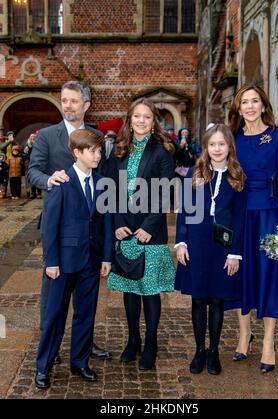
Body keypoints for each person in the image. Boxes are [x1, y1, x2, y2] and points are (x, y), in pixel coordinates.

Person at [27, 80, 112, 362]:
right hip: (59, 228)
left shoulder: (97, 136)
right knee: (54, 298)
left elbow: (104, 181)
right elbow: (33, 172)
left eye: (74, 101)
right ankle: (50, 349)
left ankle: (84, 346)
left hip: (89, 229)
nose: (68, 105)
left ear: (86, 104)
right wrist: (49, 179)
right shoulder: (47, 136)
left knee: (86, 298)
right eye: (64, 100)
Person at [35, 129, 113, 389]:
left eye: (100, 151)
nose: (97, 155)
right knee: (54, 315)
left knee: (86, 314)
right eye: (92, 151)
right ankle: (43, 366)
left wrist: (106, 257)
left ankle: (79, 362)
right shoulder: (61, 182)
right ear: (77, 152)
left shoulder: (102, 182)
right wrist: (52, 262)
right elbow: (50, 226)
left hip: (91, 261)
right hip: (63, 262)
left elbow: (106, 222)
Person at [228, 84, 278, 373]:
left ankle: (268, 341)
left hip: (269, 216)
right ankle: (244, 335)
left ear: (264, 105)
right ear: (238, 108)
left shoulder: (277, 137)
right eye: (245, 102)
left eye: (255, 101)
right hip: (240, 216)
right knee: (242, 274)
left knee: (270, 277)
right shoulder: (233, 139)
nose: (250, 106)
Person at [107, 98, 176, 371]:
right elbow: (111, 190)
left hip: (151, 232)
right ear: (130, 119)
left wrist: (148, 226)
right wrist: (117, 223)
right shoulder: (119, 151)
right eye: (137, 116)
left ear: (153, 121)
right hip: (124, 230)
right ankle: (133, 339)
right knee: (129, 288)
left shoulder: (162, 151)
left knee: (149, 289)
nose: (141, 121)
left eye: (147, 117)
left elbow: (166, 192)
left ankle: (150, 343)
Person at [175, 124, 246, 375]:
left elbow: (239, 218)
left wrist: (235, 252)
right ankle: (199, 350)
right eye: (212, 144)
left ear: (229, 147)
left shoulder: (236, 176)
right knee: (199, 298)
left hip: (223, 244)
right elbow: (184, 211)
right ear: (206, 147)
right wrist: (181, 242)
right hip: (197, 241)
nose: (217, 149)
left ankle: (214, 351)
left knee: (217, 298)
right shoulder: (194, 174)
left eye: (222, 144)